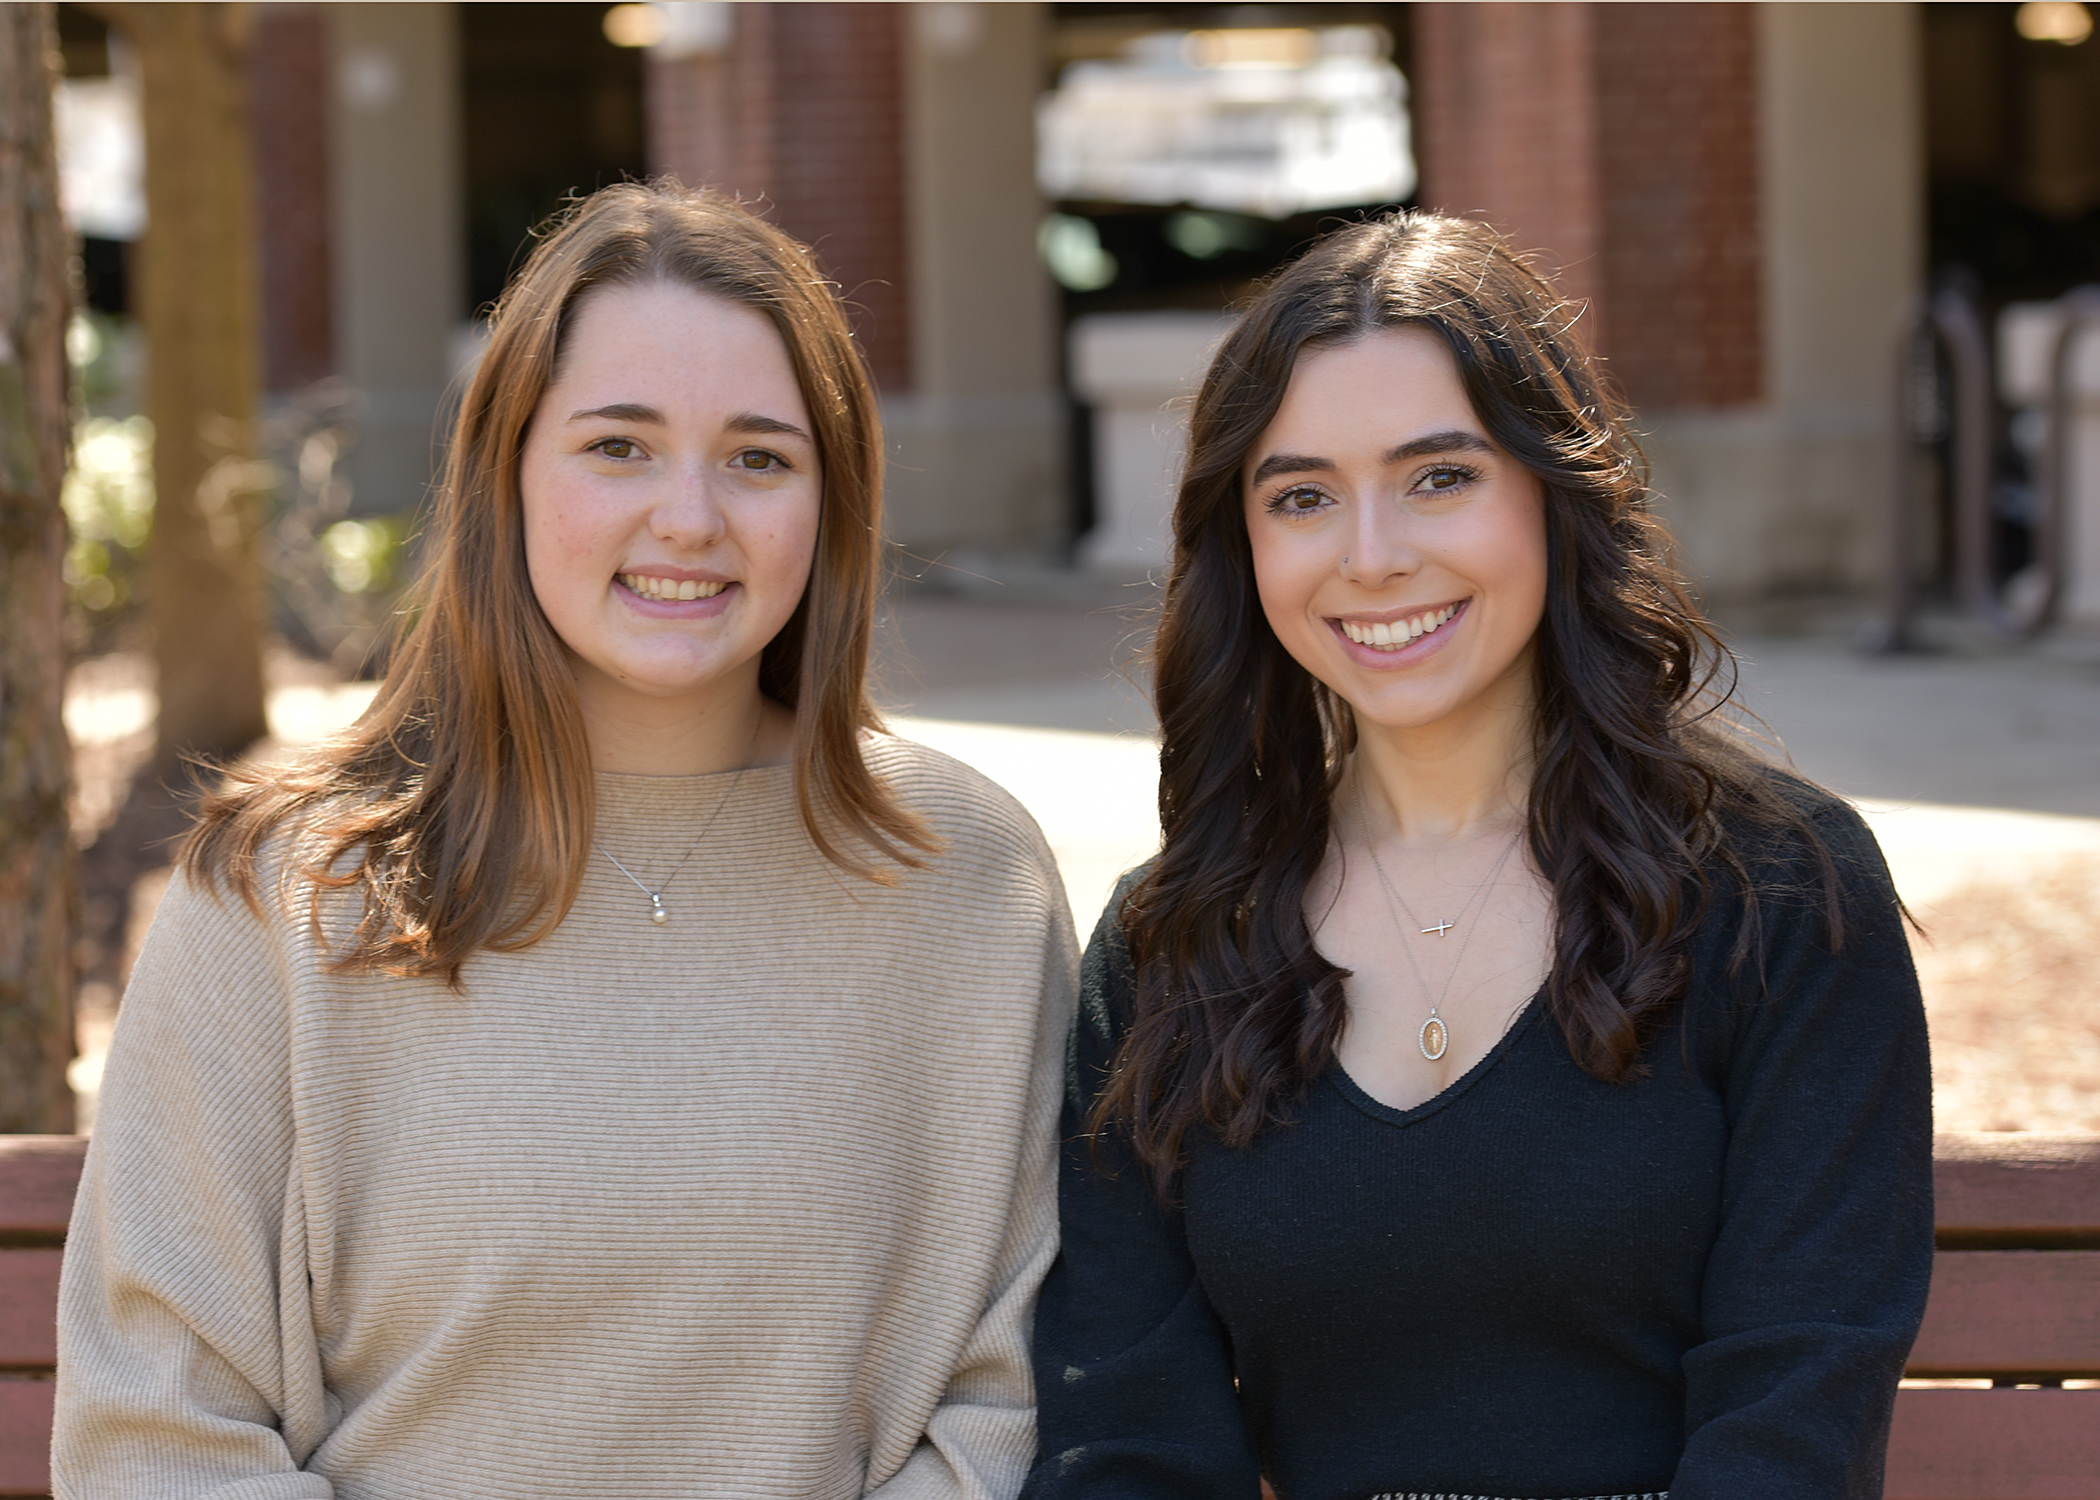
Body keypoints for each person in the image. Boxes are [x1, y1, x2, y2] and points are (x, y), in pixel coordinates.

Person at [56, 182, 1076, 1500]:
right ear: (509, 473)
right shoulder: (283, 893)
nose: (691, 518)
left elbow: (1005, 1395)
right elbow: (156, 1432)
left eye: (760, 457)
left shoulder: (967, 877)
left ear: (832, 503)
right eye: (619, 447)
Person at [1023, 212, 1933, 1500]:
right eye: (1301, 496)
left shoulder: (1779, 894)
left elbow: (1796, 1412)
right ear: (1245, 547)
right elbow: (1127, 1435)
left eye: (1440, 476)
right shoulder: (1176, 943)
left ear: (1556, 497)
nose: (1374, 554)